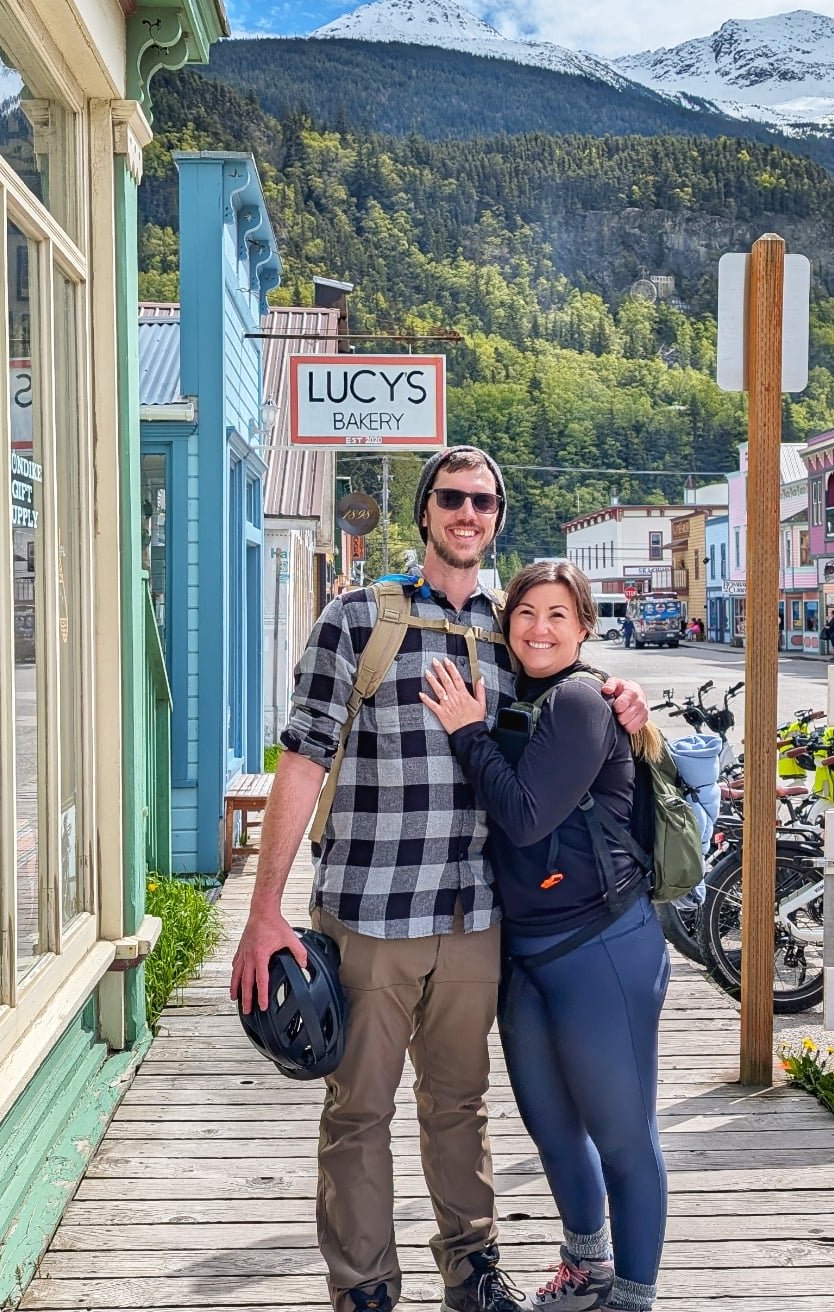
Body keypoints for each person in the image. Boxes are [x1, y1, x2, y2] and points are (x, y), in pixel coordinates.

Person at [230, 446, 649, 1312]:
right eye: (452, 498)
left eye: (485, 502)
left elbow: (567, 694)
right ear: (425, 511)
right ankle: (367, 1286)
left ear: (497, 517)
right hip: (371, 915)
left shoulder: (508, 628)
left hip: (475, 921)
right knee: (359, 1114)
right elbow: (303, 759)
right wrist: (263, 911)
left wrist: (628, 700)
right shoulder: (356, 619)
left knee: (460, 1108)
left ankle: (471, 1269)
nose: (469, 514)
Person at [421, 560, 669, 1312]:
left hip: (601, 945)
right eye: (526, 613)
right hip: (524, 951)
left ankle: (632, 1297)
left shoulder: (582, 701)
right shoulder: (512, 689)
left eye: (558, 615)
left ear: (585, 628)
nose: (538, 628)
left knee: (622, 1136)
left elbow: (527, 815)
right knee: (554, 1131)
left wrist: (467, 734)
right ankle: (586, 1270)